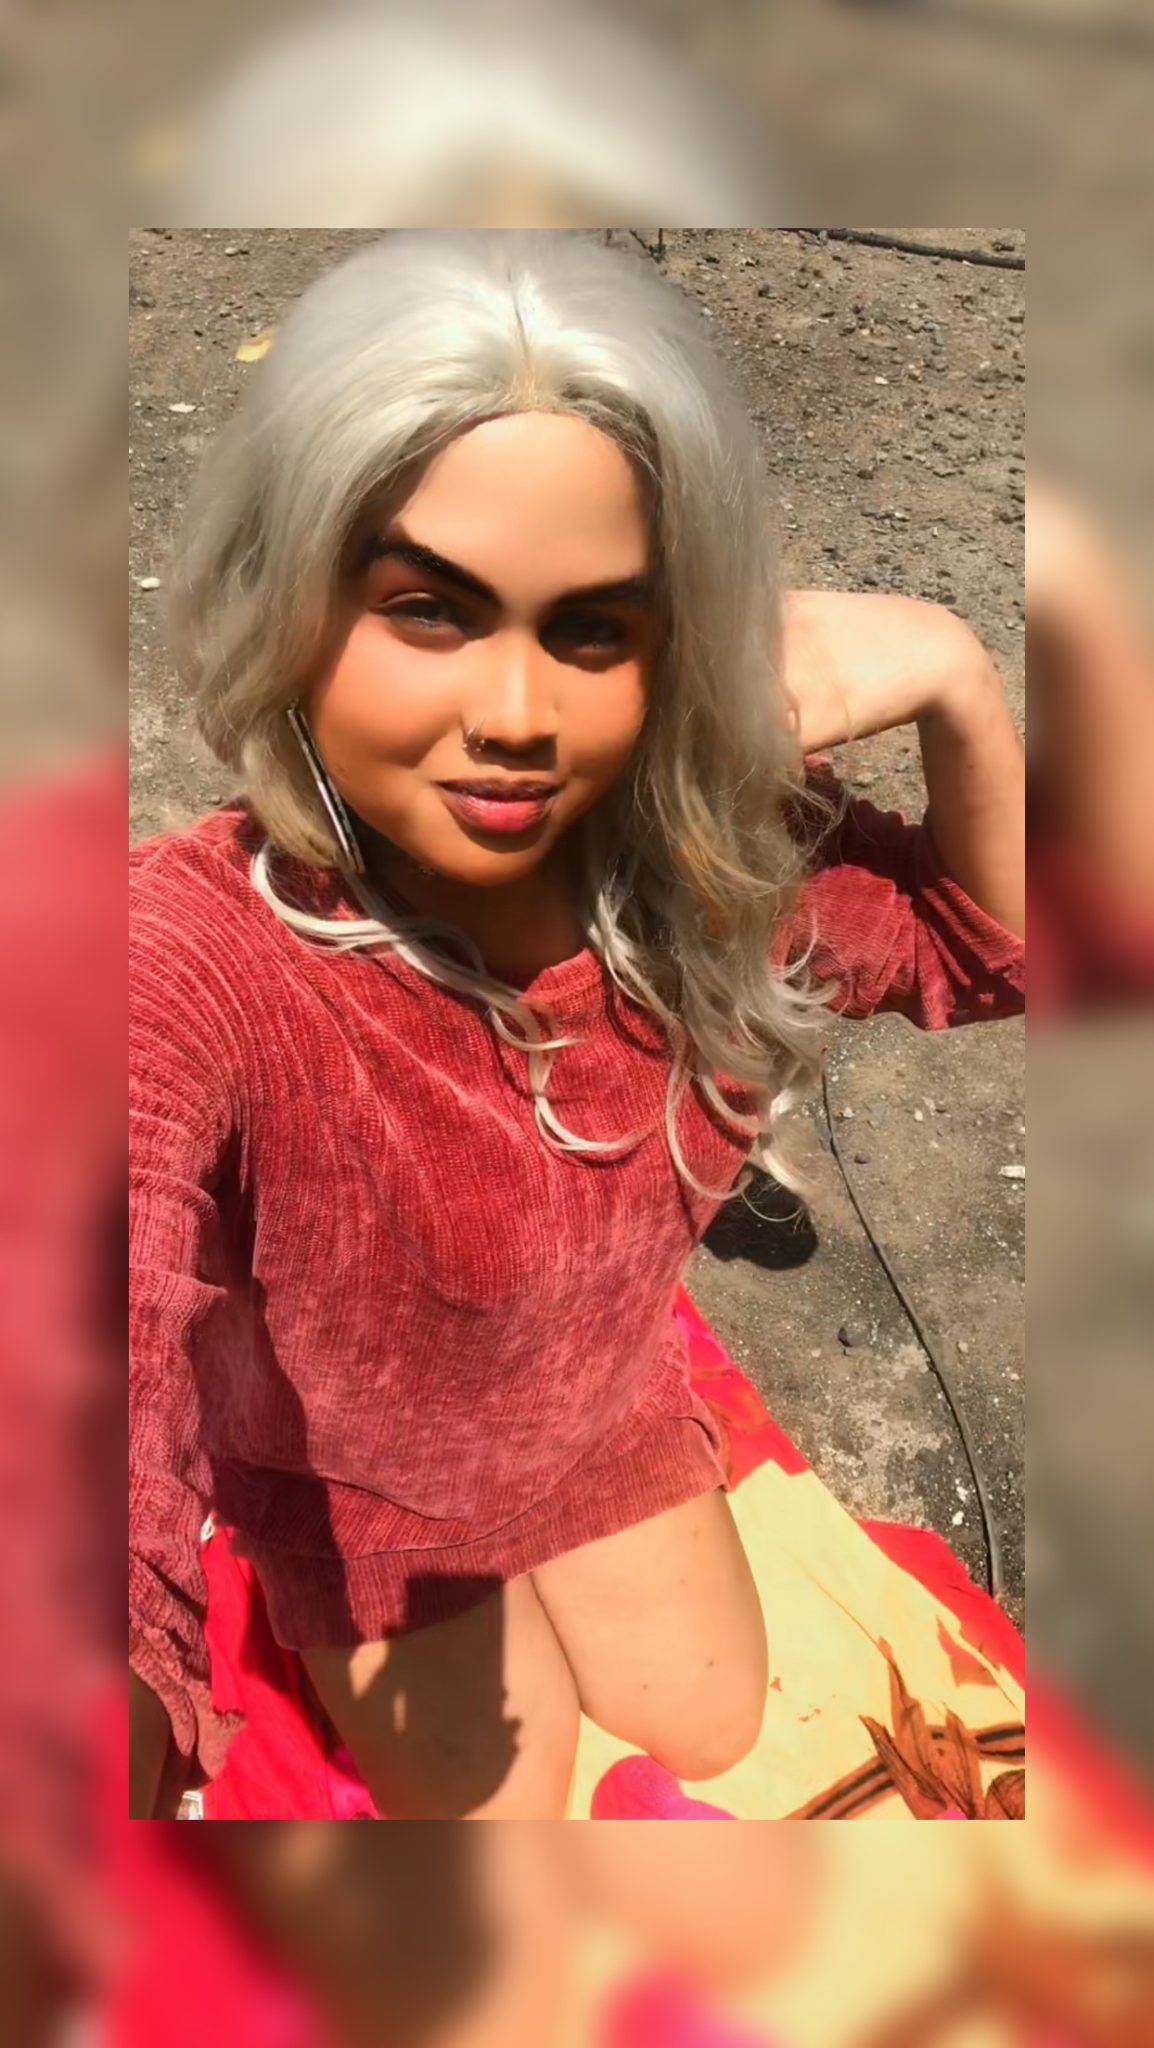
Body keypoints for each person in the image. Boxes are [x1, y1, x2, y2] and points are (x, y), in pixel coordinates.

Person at [129, 229, 1024, 1820]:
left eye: (593, 628)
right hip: (365, 1497)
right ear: (287, 598)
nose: (517, 720)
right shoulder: (196, 957)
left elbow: (1001, 947)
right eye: (427, 609)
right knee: (511, 1819)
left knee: (714, 1729)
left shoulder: (704, 862)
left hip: (597, 1406)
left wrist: (955, 676)